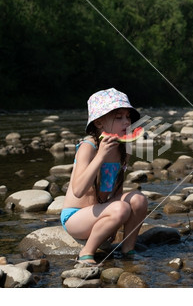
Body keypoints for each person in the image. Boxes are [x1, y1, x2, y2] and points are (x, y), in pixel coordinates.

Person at [60, 88, 148, 266]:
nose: (126, 122)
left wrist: (115, 221)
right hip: (76, 218)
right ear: (99, 123)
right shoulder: (89, 146)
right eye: (118, 117)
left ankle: (127, 249)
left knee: (139, 199)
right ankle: (86, 252)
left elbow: (118, 187)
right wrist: (100, 156)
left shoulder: (124, 148)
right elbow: (78, 191)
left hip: (103, 210)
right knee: (121, 208)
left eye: (128, 117)